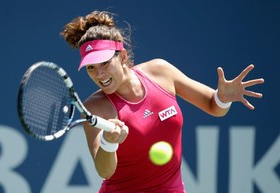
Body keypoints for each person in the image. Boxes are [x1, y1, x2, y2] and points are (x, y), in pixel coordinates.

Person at [60, 10, 264, 193]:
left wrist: (223, 98)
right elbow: (104, 170)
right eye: (91, 68)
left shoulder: (160, 71)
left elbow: (213, 106)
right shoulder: (95, 107)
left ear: (122, 56)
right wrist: (109, 142)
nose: (99, 74)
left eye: (104, 63)